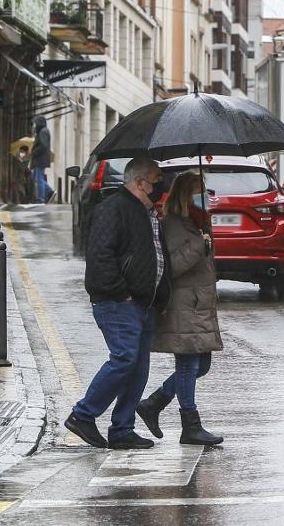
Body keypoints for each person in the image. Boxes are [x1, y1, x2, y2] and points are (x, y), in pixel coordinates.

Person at [64, 157, 170, 449]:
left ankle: (122, 429)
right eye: (156, 179)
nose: (161, 185)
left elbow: (158, 255)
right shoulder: (114, 208)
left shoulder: (148, 212)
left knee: (138, 368)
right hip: (119, 301)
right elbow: (100, 255)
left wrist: (160, 295)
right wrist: (119, 291)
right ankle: (83, 415)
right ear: (139, 183)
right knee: (124, 358)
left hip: (143, 302)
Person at [136, 172, 225, 446]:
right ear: (186, 196)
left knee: (202, 365)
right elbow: (170, 267)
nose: (206, 198)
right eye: (200, 193)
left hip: (199, 306)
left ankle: (154, 403)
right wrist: (200, 244)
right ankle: (190, 425)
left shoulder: (194, 224)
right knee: (188, 365)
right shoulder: (173, 225)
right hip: (183, 306)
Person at [31, 115, 52, 203]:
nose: (35, 125)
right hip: (39, 159)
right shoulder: (42, 131)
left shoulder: (43, 132)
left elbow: (43, 146)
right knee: (34, 177)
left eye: (36, 123)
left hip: (40, 159)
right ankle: (49, 190)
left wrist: (34, 152)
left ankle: (41, 198)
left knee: (39, 179)